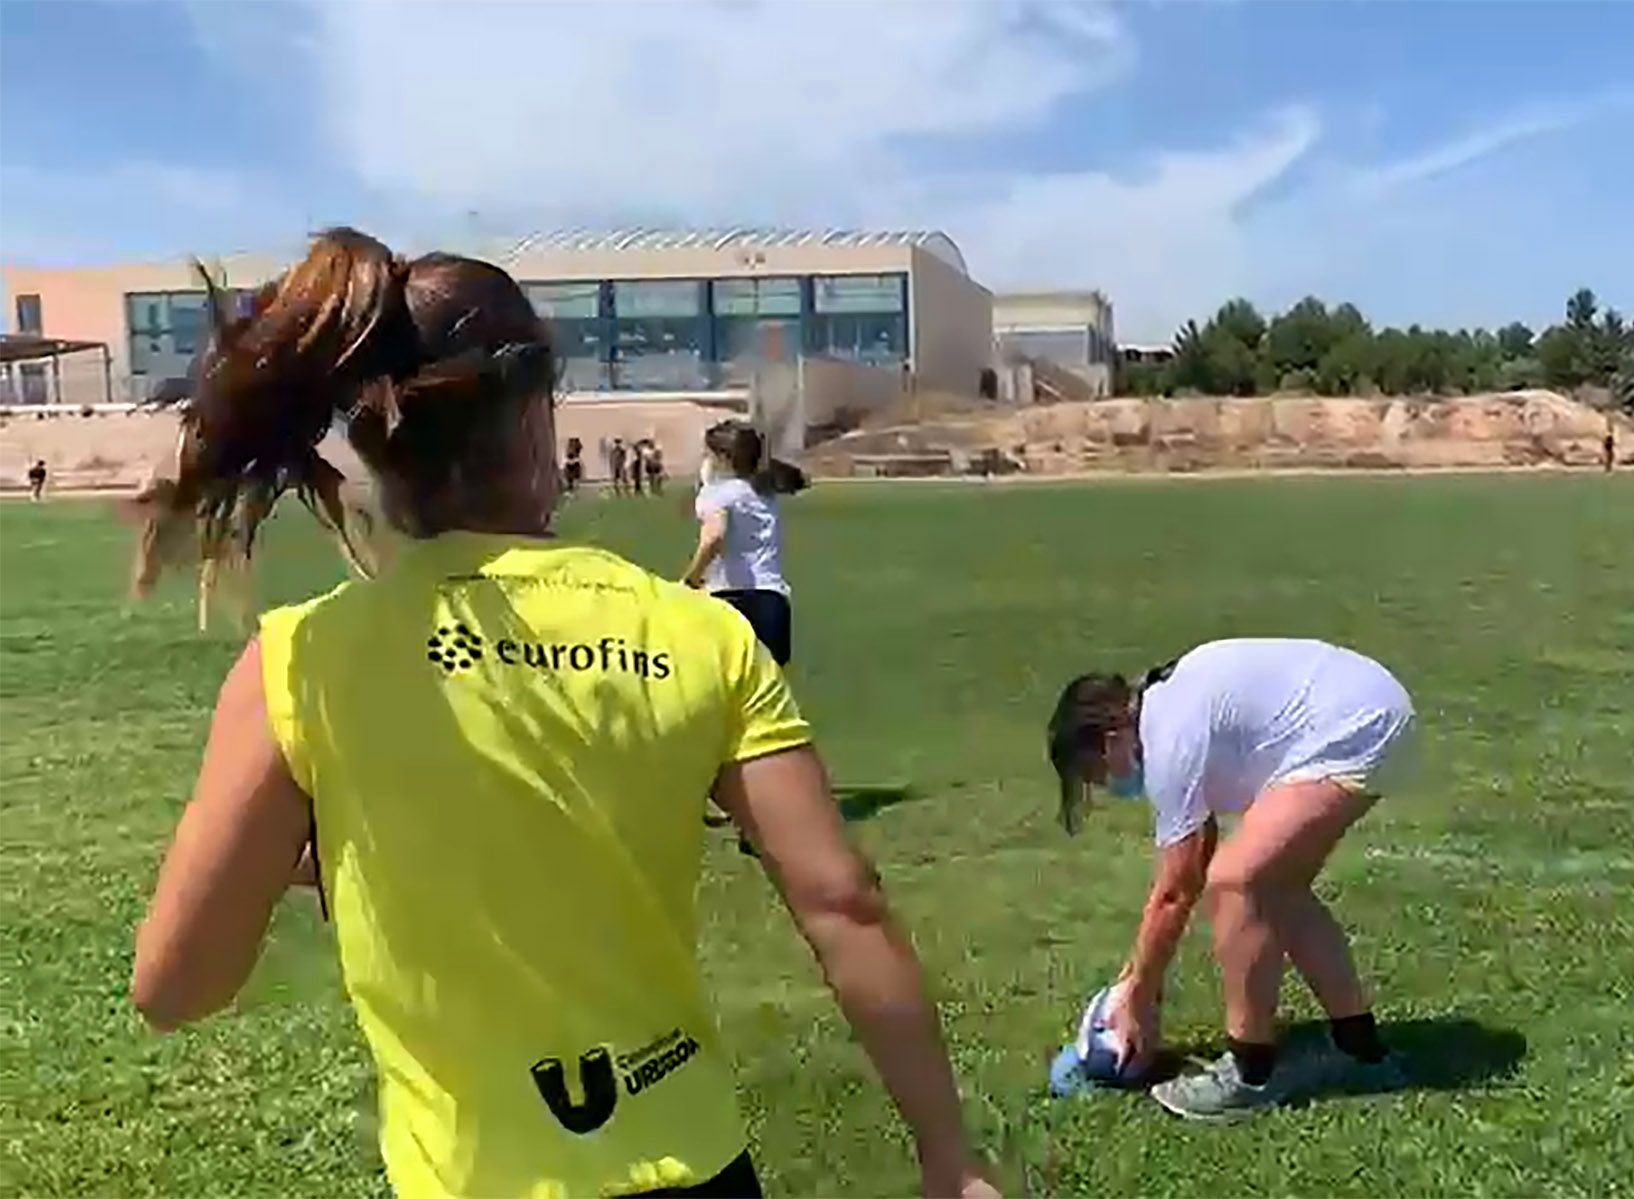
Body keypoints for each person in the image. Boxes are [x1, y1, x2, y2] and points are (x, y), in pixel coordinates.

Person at [124, 228, 997, 1196]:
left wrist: (333, 853)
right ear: (537, 420)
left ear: (372, 440)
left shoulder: (298, 663)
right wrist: (947, 1159)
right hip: (691, 1167)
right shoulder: (697, 635)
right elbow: (844, 902)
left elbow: (175, 986)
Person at [1046, 639, 1414, 1119]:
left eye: (1096, 773)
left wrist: (1136, 996)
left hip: (1356, 723)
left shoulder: (1168, 735)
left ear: (1111, 737)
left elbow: (1178, 889)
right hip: (1370, 709)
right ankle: (1361, 1049)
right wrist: (1139, 977)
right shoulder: (1168, 708)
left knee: (1238, 882)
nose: (1106, 786)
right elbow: (1192, 862)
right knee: (1277, 888)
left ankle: (1249, 1073)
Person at [682, 422, 804, 666]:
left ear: (723, 458)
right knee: (768, 698)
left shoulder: (718, 494)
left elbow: (714, 535)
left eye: (708, 453)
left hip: (728, 601)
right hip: (772, 602)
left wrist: (690, 579)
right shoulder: (764, 490)